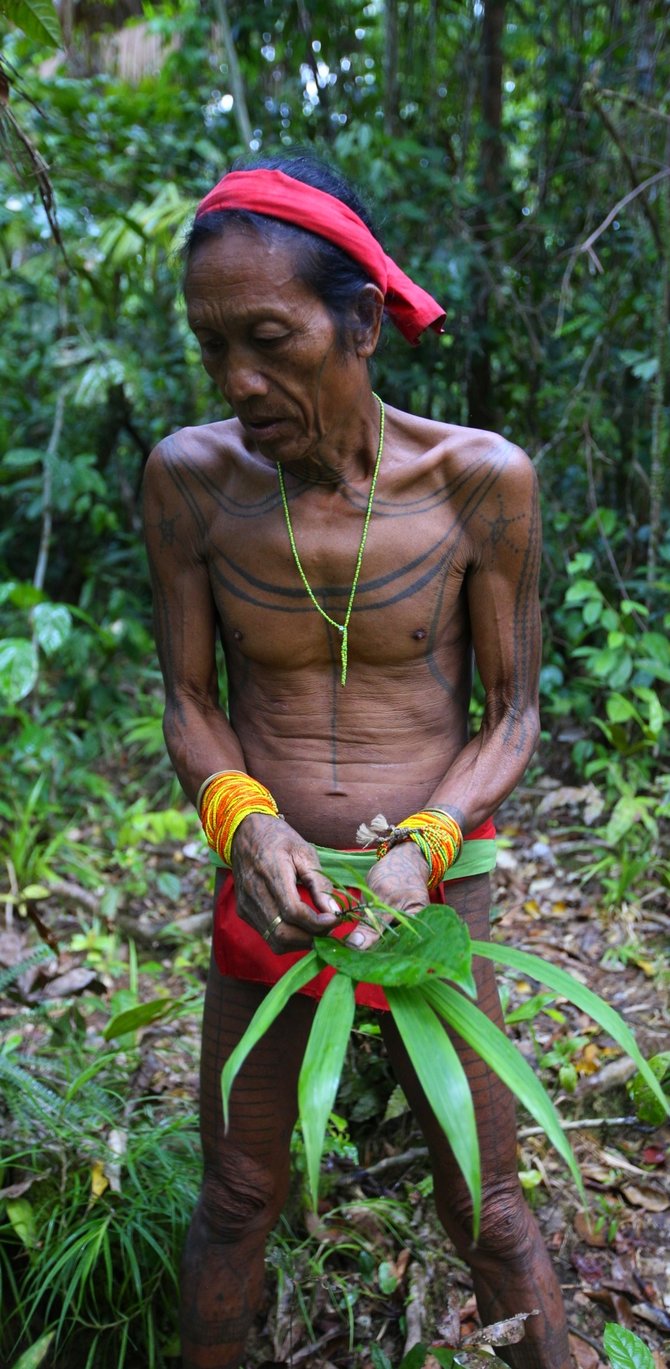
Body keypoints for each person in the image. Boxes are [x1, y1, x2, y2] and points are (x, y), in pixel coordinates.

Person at [143, 152, 570, 1369]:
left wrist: (424, 853)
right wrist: (248, 825)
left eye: (271, 338)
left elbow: (511, 716)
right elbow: (186, 699)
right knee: (235, 1200)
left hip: (431, 899)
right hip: (269, 896)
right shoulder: (190, 482)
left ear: (363, 321)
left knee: (486, 1209)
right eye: (211, 345)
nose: (239, 379)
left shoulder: (479, 485)